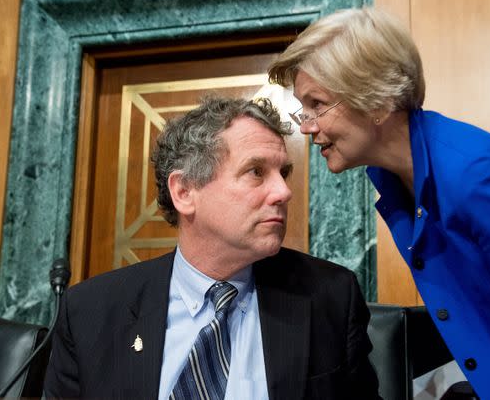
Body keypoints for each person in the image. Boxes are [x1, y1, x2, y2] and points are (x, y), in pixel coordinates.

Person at [268, 7, 490, 400]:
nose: (306, 126)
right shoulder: (397, 182)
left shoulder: (478, 175)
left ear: (376, 100)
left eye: (317, 104)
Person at [43, 96, 380, 400]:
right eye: (256, 172)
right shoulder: (91, 312)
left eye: (283, 173)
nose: (283, 192)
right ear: (185, 191)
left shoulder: (329, 297)